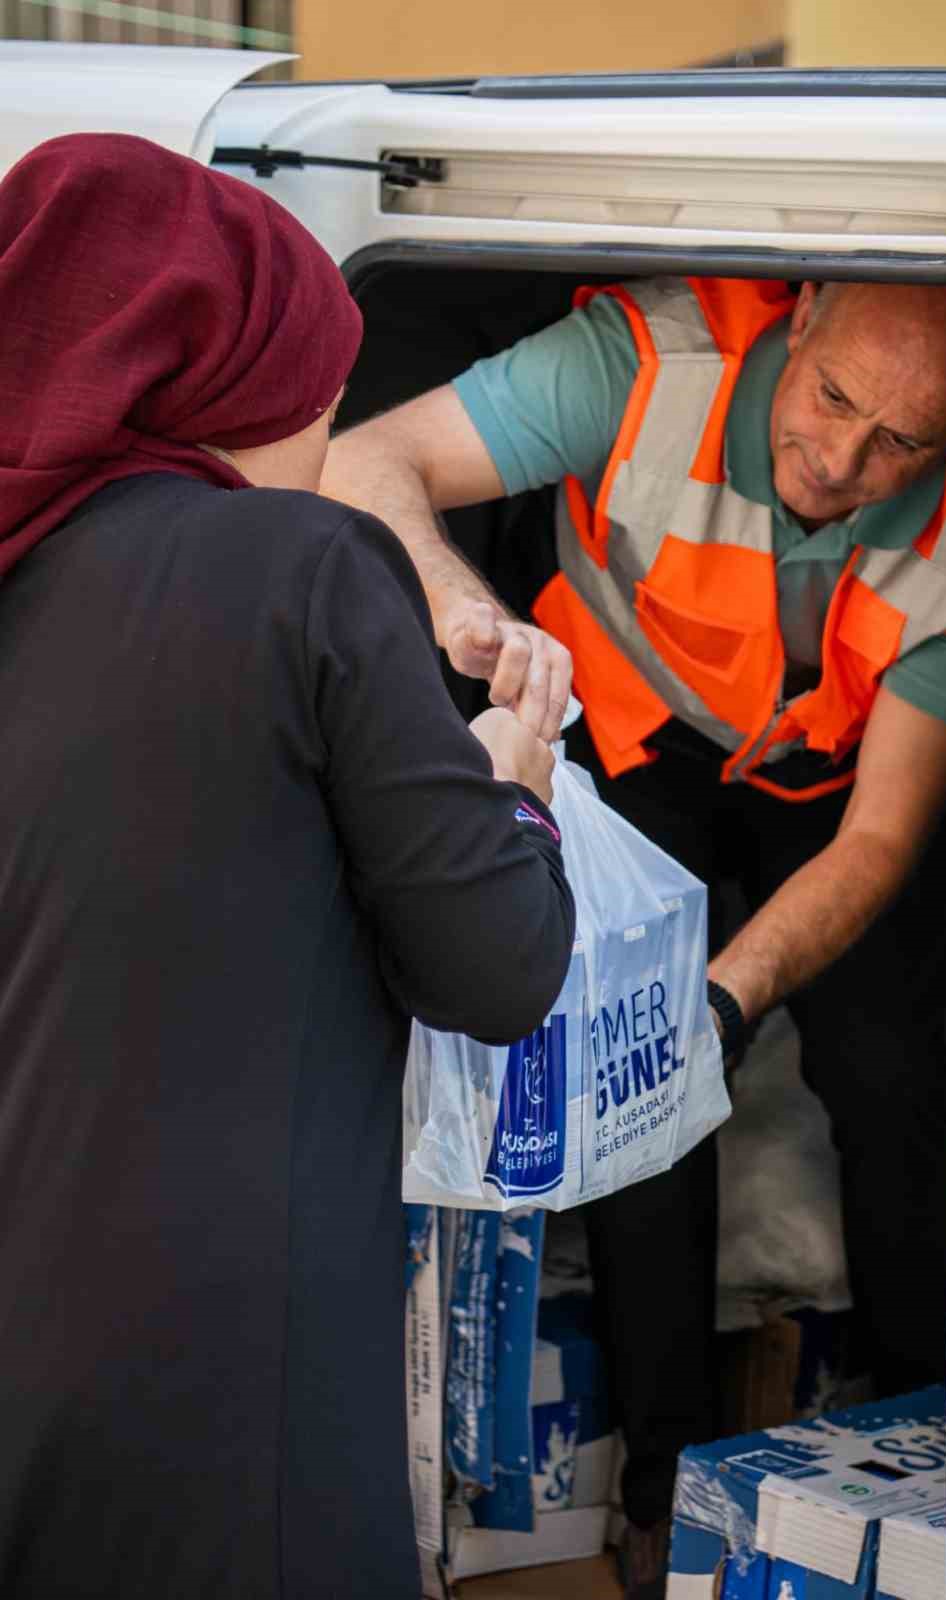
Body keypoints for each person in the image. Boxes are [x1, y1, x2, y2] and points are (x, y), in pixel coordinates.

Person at [323, 271, 946, 1596]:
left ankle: (921, 1441)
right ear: (800, 320)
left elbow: (879, 843)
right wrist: (463, 608)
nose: (844, 457)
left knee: (887, 1084)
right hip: (640, 729)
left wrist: (727, 997)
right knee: (633, 1087)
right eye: (831, 399)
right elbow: (366, 458)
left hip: (834, 774)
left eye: (904, 440)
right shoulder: (647, 366)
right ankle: (662, 1478)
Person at [0, 134, 574, 1600]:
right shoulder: (301, 570)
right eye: (316, 405)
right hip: (210, 1388)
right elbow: (496, 968)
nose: (320, 449)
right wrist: (514, 792)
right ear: (224, 383)